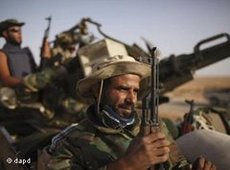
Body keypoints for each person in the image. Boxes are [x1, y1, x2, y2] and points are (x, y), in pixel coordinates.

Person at [40, 55, 216, 170]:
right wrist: (128, 165)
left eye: (135, 91)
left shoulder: (154, 124)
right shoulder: (70, 142)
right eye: (123, 89)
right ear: (97, 90)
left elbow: (178, 165)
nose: (131, 99)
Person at [0, 18, 50, 87]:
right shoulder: (2, 53)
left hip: (34, 90)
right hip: (17, 94)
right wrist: (28, 82)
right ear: (5, 34)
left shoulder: (26, 51)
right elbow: (6, 80)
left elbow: (37, 73)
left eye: (20, 30)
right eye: (14, 30)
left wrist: (44, 58)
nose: (19, 33)